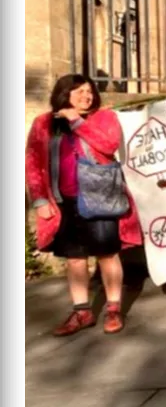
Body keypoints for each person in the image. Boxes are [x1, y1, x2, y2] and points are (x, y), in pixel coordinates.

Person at [25, 73, 143, 336]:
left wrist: (76, 121)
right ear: (63, 93)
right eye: (79, 91)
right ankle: (82, 312)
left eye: (89, 91)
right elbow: (32, 161)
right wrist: (40, 199)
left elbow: (108, 145)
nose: (86, 96)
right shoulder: (44, 122)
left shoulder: (104, 117)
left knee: (107, 254)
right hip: (64, 202)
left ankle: (113, 309)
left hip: (101, 198)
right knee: (75, 259)